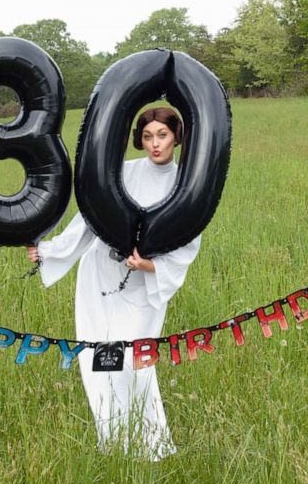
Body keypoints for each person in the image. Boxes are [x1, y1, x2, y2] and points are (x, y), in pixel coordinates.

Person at [27, 106, 201, 461]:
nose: (155, 144)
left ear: (176, 138)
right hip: (100, 277)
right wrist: (49, 251)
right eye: (148, 136)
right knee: (100, 358)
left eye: (163, 136)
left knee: (136, 360)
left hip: (144, 286)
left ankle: (153, 445)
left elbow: (188, 239)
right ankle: (114, 440)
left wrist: (150, 265)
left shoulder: (187, 183)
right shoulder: (123, 172)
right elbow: (88, 221)